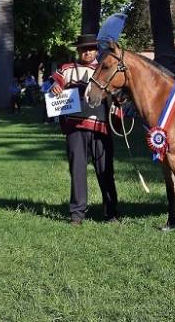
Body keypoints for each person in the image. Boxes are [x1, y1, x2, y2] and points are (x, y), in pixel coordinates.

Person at [49, 34, 118, 224]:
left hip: (101, 127)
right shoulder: (67, 68)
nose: (87, 52)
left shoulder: (104, 68)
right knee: (77, 170)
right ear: (78, 51)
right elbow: (56, 84)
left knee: (105, 170)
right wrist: (55, 87)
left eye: (91, 49)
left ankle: (111, 213)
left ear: (97, 50)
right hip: (75, 127)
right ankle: (77, 214)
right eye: (83, 49)